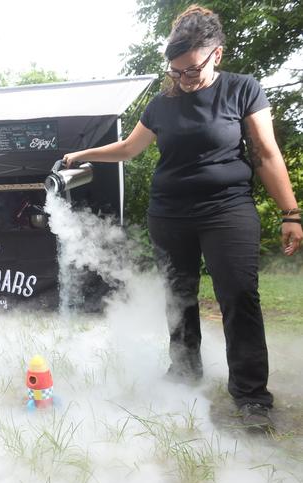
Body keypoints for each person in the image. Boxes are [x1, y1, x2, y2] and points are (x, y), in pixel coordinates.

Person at [63, 5, 302, 432]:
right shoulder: (162, 104)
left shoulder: (242, 90)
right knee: (179, 296)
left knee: (239, 297)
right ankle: (185, 371)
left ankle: (250, 395)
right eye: (175, 72)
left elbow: (266, 154)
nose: (184, 80)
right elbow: (128, 149)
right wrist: (84, 154)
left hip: (227, 209)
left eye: (191, 69)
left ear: (217, 55)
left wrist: (291, 213)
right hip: (169, 213)